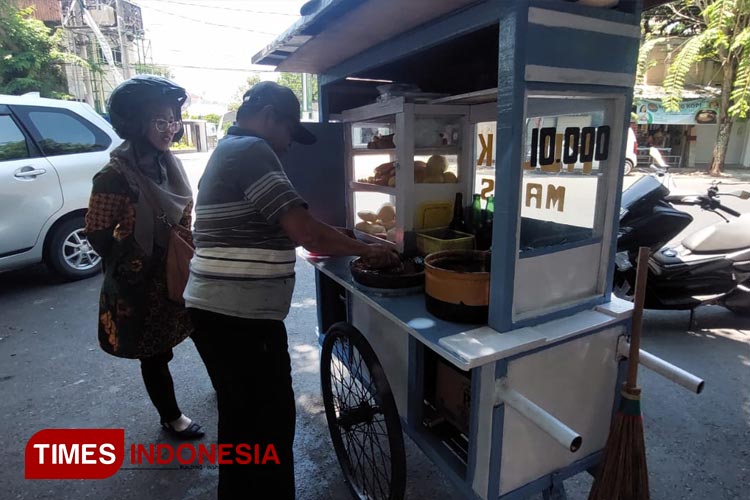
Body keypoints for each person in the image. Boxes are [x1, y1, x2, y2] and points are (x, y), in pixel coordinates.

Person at [184, 81, 400, 499]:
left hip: (218, 315)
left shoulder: (233, 150)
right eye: (287, 134)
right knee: (268, 425)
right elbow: (304, 232)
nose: (287, 147)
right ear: (268, 117)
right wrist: (367, 250)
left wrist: (343, 235)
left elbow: (282, 227)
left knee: (241, 424)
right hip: (239, 319)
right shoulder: (251, 150)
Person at [85, 76, 203, 439]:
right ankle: (171, 417)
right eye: (159, 121)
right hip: (139, 285)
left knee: (203, 328)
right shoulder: (113, 176)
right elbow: (97, 233)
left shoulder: (170, 165)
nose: (170, 129)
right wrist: (132, 260)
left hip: (180, 269)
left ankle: (226, 388)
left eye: (173, 120)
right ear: (134, 124)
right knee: (154, 352)